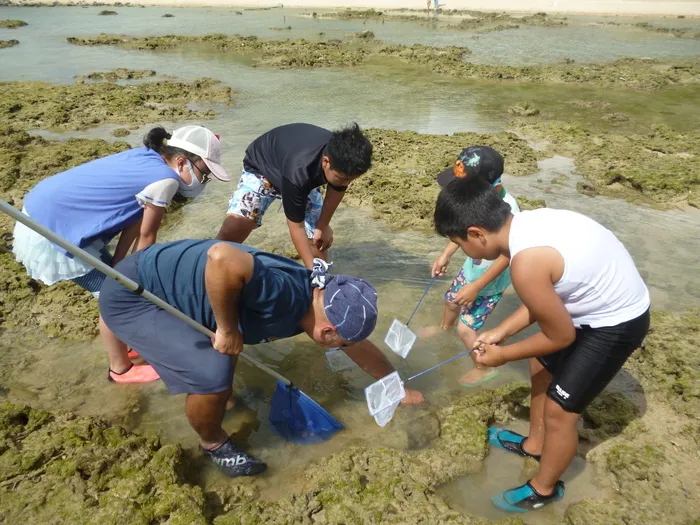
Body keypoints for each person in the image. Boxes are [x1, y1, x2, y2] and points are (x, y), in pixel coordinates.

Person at [98, 239, 425, 477]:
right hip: (135, 295)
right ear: (327, 332)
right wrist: (226, 328)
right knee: (212, 374)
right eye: (342, 340)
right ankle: (212, 442)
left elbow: (357, 345)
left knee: (226, 363)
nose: (344, 346)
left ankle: (222, 402)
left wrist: (396, 386)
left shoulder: (318, 294)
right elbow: (222, 257)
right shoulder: (283, 296)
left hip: (170, 284)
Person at [433, 176, 650, 512]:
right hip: (585, 307)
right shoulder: (527, 224)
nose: (465, 252)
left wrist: (502, 355)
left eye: (460, 244)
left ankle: (545, 489)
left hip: (615, 323)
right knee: (538, 364)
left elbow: (560, 336)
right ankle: (534, 445)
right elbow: (545, 299)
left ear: (476, 233)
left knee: (560, 411)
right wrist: (501, 331)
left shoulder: (526, 262)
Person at [12, 124, 230, 383]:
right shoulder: (166, 181)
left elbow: (135, 219)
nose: (203, 182)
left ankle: (123, 340)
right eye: (204, 174)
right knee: (114, 297)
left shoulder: (150, 157)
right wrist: (136, 283)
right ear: (181, 161)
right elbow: (148, 237)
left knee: (118, 283)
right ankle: (121, 369)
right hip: (50, 231)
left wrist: (119, 265)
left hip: (48, 212)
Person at [215, 123, 373, 269]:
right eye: (344, 178)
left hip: (295, 166)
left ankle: (319, 281)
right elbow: (296, 227)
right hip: (262, 167)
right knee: (236, 226)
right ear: (326, 162)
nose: (348, 182)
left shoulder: (343, 158)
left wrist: (323, 225)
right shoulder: (299, 174)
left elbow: (338, 187)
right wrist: (311, 270)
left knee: (317, 240)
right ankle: (208, 261)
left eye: (352, 178)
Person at [429, 146, 520, 387]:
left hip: (490, 282)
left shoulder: (509, 212)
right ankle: (442, 328)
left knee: (466, 329)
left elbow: (508, 254)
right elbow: (461, 231)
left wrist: (477, 287)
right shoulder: (472, 205)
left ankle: (482, 367)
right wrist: (446, 253)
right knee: (450, 300)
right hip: (472, 269)